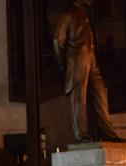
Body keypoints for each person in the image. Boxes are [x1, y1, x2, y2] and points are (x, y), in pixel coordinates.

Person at [53, 0, 124, 143]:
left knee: (100, 94)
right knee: (79, 98)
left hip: (92, 60)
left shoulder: (85, 15)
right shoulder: (69, 14)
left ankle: (108, 134)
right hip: (77, 61)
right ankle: (81, 135)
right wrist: (64, 63)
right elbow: (58, 40)